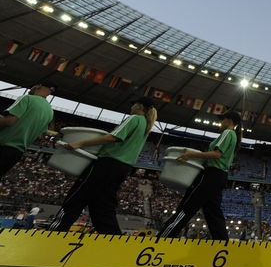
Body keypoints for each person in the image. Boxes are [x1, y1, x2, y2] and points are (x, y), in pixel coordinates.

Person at [49, 97, 157, 234]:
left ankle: (55, 231)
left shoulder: (135, 118)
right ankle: (112, 239)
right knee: (102, 206)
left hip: (108, 163)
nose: (132, 106)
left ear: (140, 106)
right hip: (122, 168)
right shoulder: (146, 124)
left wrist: (79, 143)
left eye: (134, 104)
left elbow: (112, 137)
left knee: (77, 196)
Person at [158, 110, 243, 240]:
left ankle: (163, 237)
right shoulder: (234, 135)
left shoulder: (228, 132)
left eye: (222, 119)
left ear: (229, 121)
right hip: (220, 176)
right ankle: (222, 243)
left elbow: (217, 154)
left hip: (211, 175)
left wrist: (191, 154)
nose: (220, 122)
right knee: (213, 212)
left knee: (187, 207)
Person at [0, 82, 56, 177]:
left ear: (38, 85)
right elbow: (39, 136)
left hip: (3, 146)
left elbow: (9, 121)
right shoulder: (50, 111)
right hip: (17, 153)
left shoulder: (27, 98)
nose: (30, 89)